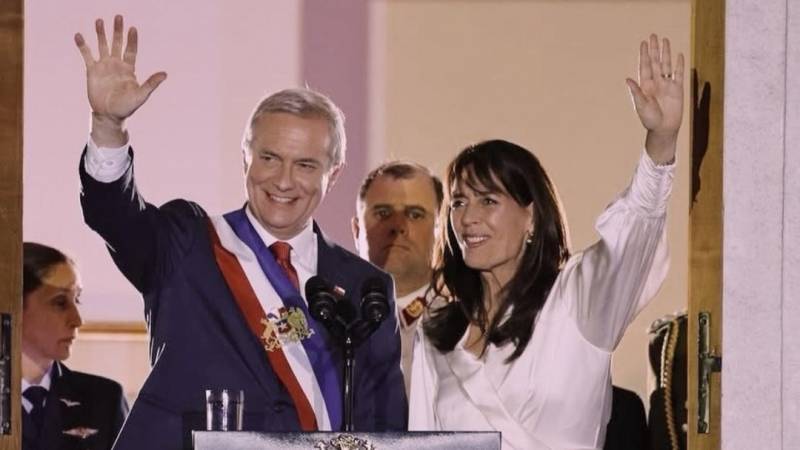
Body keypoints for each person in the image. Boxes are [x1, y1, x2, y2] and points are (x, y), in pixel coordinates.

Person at [74, 15, 406, 449]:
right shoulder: (188, 243)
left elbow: (383, 427)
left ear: (334, 173)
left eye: (305, 165)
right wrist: (108, 126)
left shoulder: (366, 287)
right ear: (245, 158)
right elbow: (113, 213)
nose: (283, 181)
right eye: (269, 158)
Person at [408, 34, 683, 450]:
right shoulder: (439, 334)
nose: (468, 217)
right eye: (459, 201)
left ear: (531, 215)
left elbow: (635, 236)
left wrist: (661, 142)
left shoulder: (577, 299)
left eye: (488, 200)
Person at [22, 242, 128, 450]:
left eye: (76, 299)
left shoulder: (104, 400)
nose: (77, 320)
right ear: (14, 305)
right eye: (60, 302)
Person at [352, 162, 443, 391]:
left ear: (440, 233)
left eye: (415, 214)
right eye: (383, 213)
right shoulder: (327, 321)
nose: (398, 226)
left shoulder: (469, 324)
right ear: (356, 231)